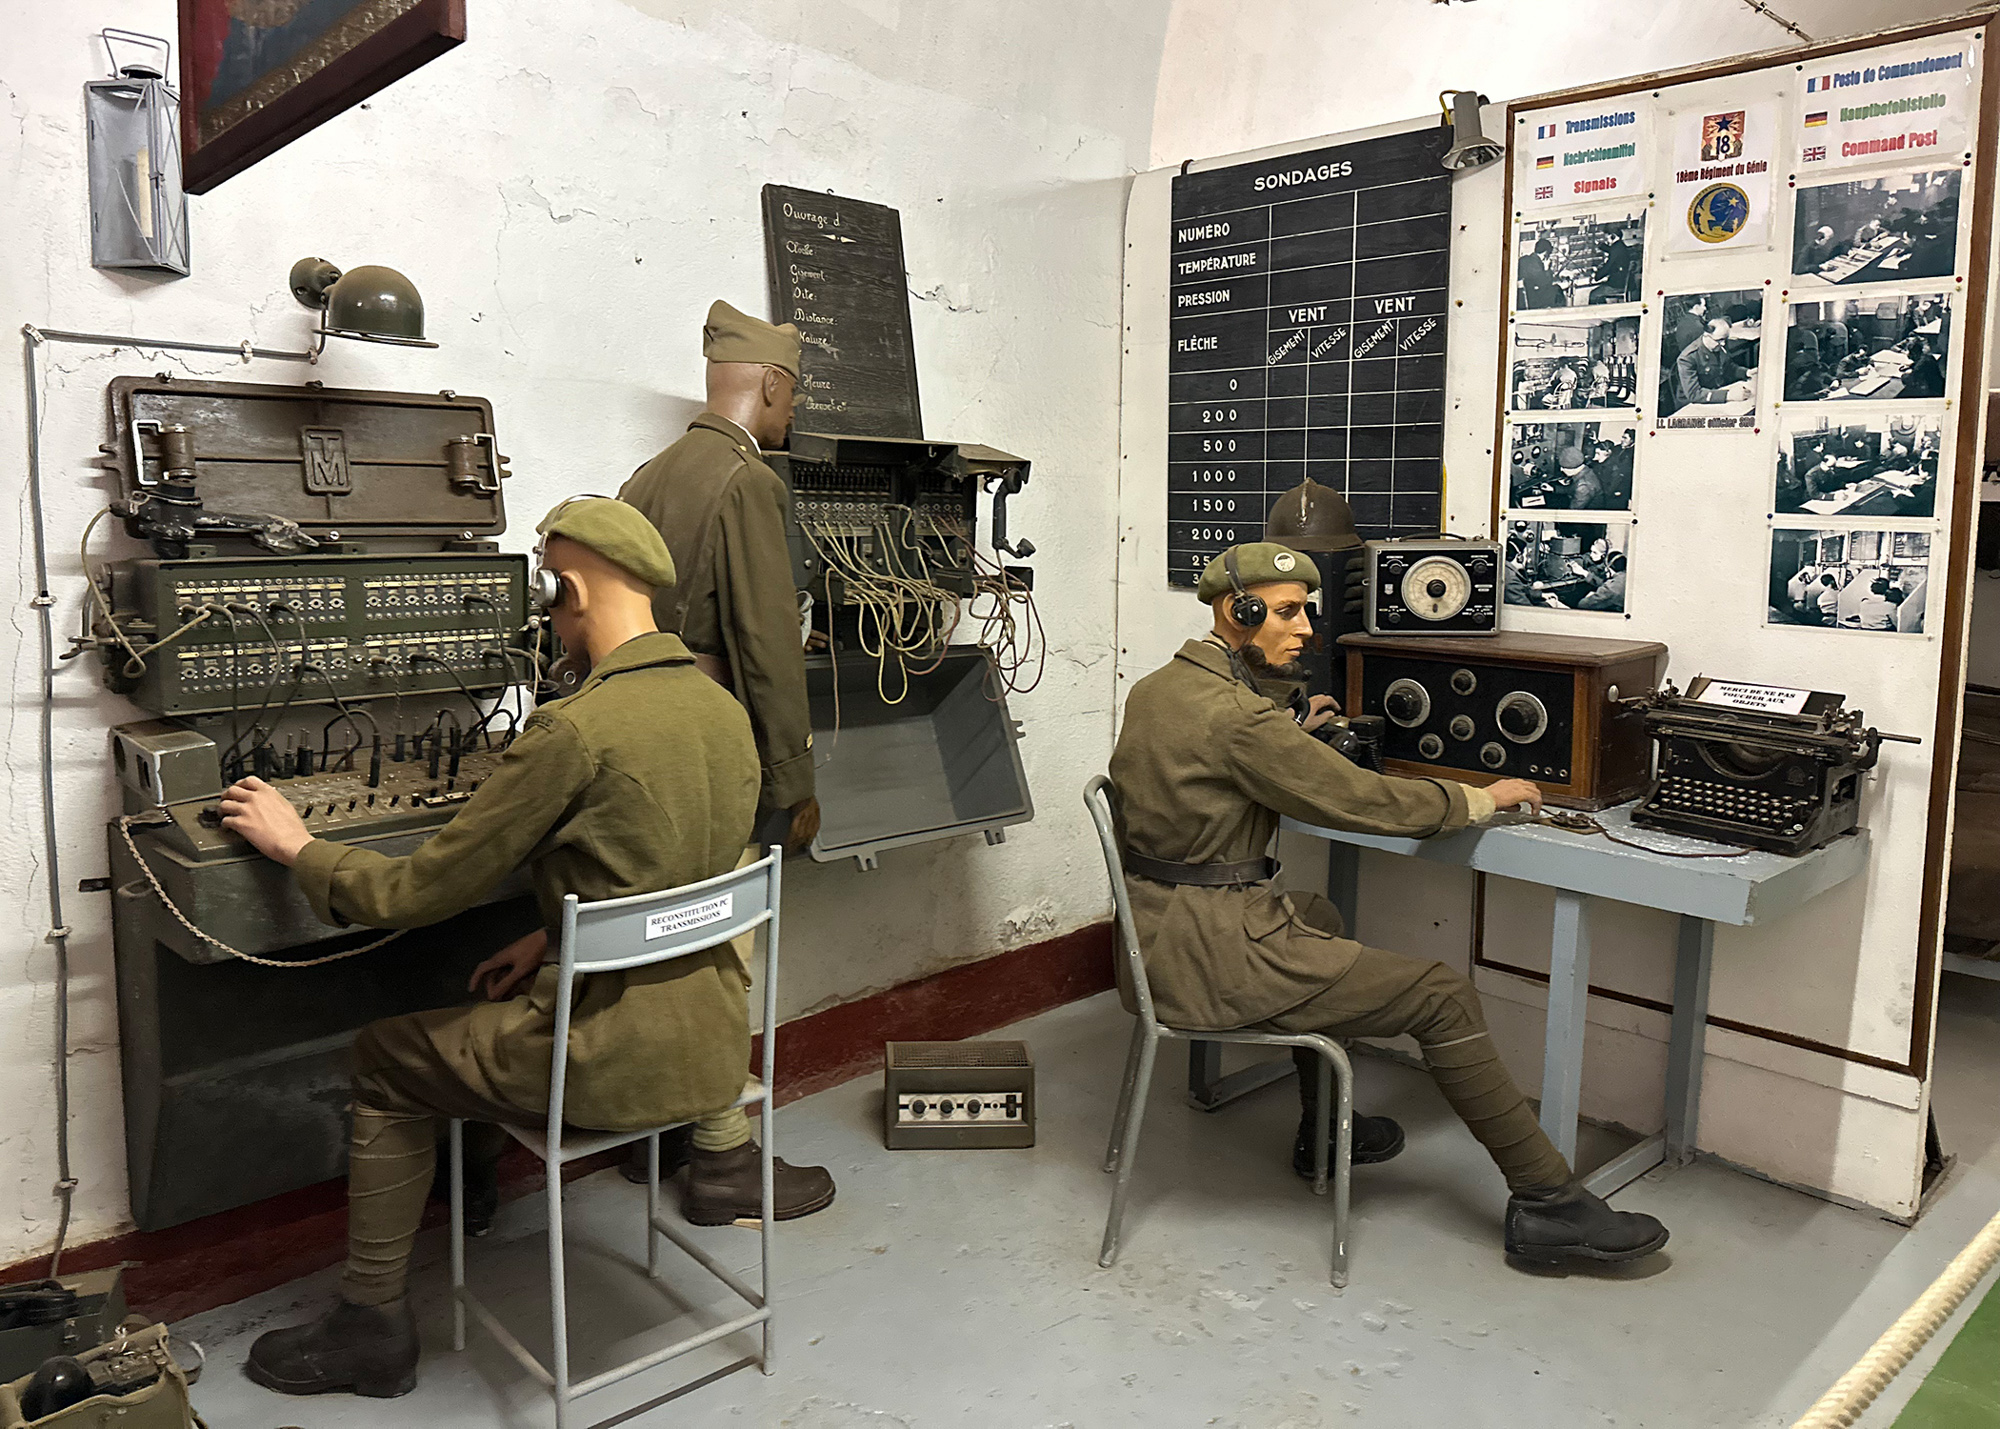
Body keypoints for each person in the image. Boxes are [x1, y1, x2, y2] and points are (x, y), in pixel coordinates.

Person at [224, 500, 835, 1400]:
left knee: (382, 1056)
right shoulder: (722, 711)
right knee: (472, 1007)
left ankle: (370, 1324)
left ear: (569, 588)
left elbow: (414, 892)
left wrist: (295, 846)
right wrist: (553, 934)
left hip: (605, 1064)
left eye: (549, 595)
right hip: (711, 1051)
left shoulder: (572, 730)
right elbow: (674, 874)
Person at [1109, 543, 1669, 1267]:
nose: (1306, 627)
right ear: (1235, 612)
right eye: (1285, 612)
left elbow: (1226, 753)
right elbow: (1362, 800)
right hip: (1213, 954)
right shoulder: (1241, 723)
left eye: (1305, 610)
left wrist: (1291, 724)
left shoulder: (1160, 688)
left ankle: (1323, 1133)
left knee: (1318, 913)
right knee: (1442, 997)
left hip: (1149, 936)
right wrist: (1479, 797)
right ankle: (1548, 1205)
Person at [616, 300, 823, 1188]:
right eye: (794, 393)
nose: (792, 411)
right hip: (714, 743)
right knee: (722, 949)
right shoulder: (750, 483)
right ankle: (719, 1152)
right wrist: (793, 779)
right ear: (771, 383)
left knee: (655, 944)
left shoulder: (643, 479)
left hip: (640, 742)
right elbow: (768, 646)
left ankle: (653, 1129)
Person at [1676, 316, 1755, 409]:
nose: (1723, 344)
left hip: (1716, 392)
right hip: (1694, 403)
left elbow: (1728, 367)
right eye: (1719, 340)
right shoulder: (1687, 358)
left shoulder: (1718, 345)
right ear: (1706, 335)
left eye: (1725, 339)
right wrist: (1728, 395)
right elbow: (1694, 394)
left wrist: (1746, 372)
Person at [1593, 226, 1642, 303]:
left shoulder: (1616, 249)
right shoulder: (1620, 246)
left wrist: (1597, 276)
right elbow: (1612, 251)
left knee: (1594, 294)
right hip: (1625, 282)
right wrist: (1600, 245)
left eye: (1607, 238)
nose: (1607, 241)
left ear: (1612, 236)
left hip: (1617, 285)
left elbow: (1608, 266)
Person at [1784, 328, 1832, 402]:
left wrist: (1835, 382)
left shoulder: (1815, 367)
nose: (1814, 354)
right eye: (1809, 350)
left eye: (1815, 350)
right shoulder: (1793, 370)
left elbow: (1827, 377)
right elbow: (1789, 397)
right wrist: (1814, 395)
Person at [1518, 236, 1563, 309]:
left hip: (1525, 297)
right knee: (1557, 290)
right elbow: (1545, 284)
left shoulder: (1524, 259)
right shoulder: (1537, 265)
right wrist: (1546, 268)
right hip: (1535, 301)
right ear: (1546, 253)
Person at [1560, 446, 1603, 510]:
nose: (1561, 470)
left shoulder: (1583, 487)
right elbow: (1573, 488)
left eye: (1564, 468)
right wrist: (1554, 489)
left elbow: (1572, 512)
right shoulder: (1587, 470)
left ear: (1573, 469)